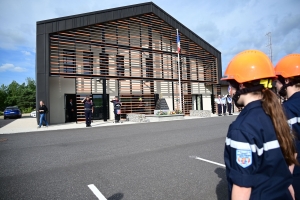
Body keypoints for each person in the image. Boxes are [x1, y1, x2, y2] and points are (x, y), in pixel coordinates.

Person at [221, 49, 298, 199]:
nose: (230, 92)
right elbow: (290, 159)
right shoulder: (280, 115)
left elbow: (242, 189)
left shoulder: (242, 128)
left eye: (231, 85)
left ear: (241, 85)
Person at [274, 53, 300, 200]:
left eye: (278, 80)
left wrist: (285, 181)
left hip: (296, 176)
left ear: (287, 80)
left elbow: (290, 151)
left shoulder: (286, 109)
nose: (276, 85)